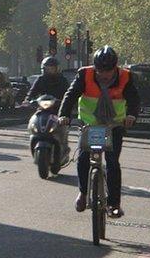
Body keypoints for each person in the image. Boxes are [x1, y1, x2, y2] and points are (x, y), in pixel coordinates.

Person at [58, 46, 140, 218]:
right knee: (82, 158)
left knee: (112, 162)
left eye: (109, 71)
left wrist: (131, 115)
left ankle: (113, 204)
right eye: (101, 71)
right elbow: (71, 95)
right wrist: (64, 115)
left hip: (113, 125)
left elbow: (134, 99)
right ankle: (83, 192)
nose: (104, 75)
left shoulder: (125, 77)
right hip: (90, 125)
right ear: (95, 67)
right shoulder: (84, 75)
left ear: (115, 67)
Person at [24, 56, 71, 154]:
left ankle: (63, 145)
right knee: (33, 119)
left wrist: (65, 103)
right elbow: (32, 92)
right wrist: (28, 100)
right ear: (44, 69)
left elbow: (69, 94)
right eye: (48, 69)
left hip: (58, 110)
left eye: (53, 68)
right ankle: (34, 135)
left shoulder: (62, 80)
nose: (51, 71)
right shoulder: (40, 79)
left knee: (63, 124)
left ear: (57, 69)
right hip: (42, 110)